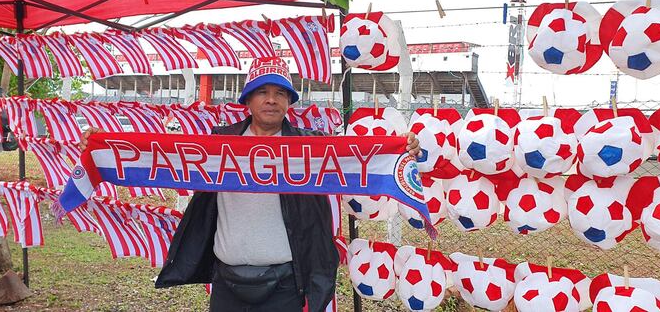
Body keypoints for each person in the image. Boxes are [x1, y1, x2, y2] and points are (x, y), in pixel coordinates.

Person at [84, 58, 420, 311]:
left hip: (286, 285)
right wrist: (104, 148)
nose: (271, 100)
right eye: (262, 92)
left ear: (289, 102)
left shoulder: (313, 148)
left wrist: (400, 149)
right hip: (227, 284)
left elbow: (358, 157)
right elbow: (163, 154)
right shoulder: (218, 145)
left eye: (279, 93)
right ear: (248, 100)